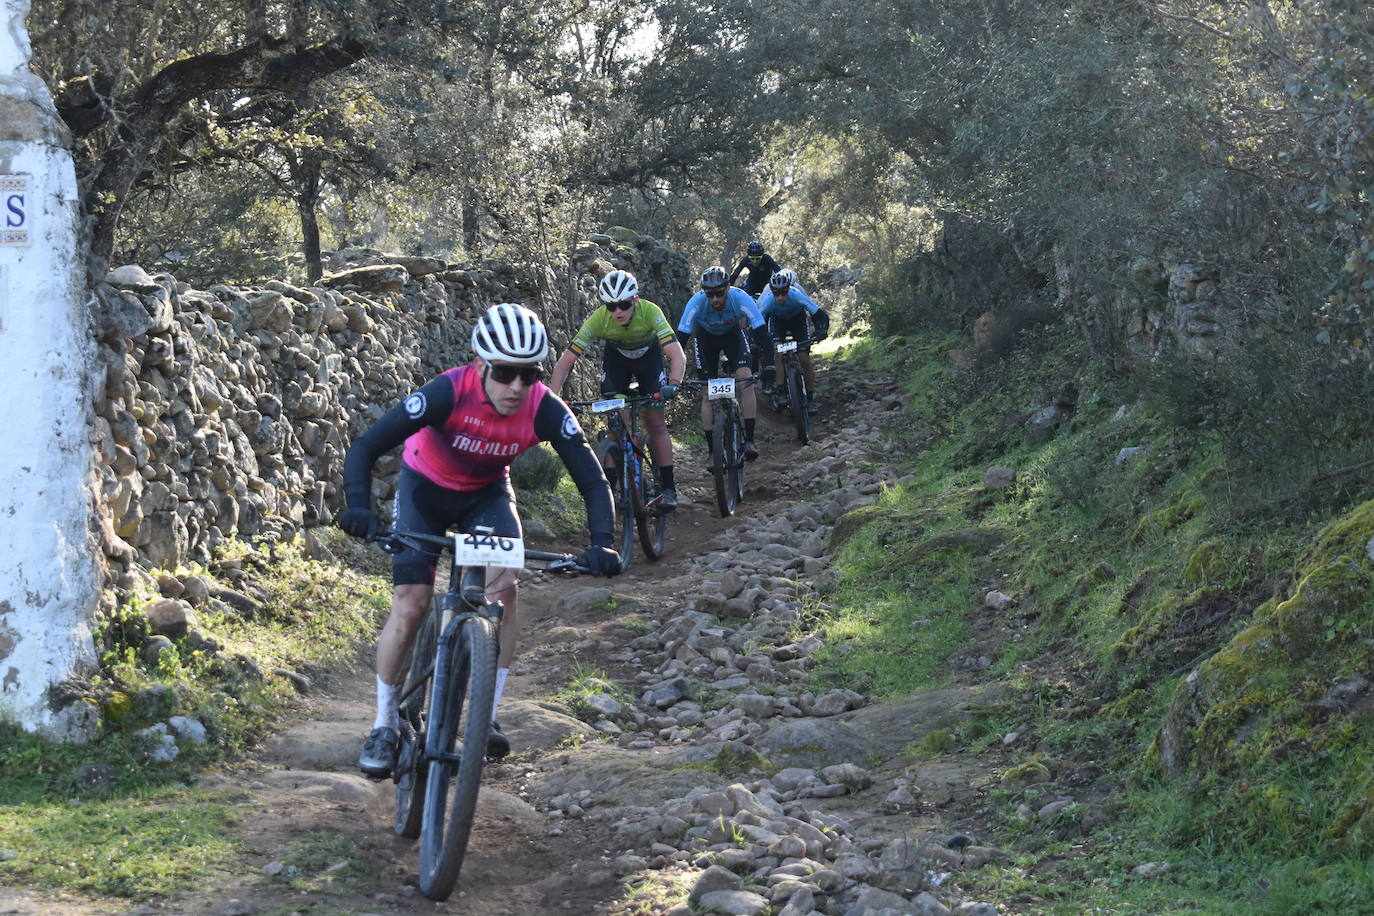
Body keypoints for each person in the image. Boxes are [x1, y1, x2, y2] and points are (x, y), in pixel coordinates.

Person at [338, 303, 620, 779]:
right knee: (411, 604)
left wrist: (603, 542)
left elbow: (592, 480)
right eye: (506, 373)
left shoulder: (545, 408)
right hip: (425, 491)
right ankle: (384, 723)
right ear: (481, 363)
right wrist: (360, 506)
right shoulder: (448, 392)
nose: (516, 387)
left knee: (504, 591)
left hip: (486, 497)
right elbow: (366, 446)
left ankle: (485, 712)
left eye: (528, 375)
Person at [548, 269, 688, 511]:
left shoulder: (651, 311)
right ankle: (610, 495)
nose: (617, 312)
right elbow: (565, 362)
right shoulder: (599, 319)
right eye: (611, 306)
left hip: (649, 360)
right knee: (616, 426)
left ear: (635, 300)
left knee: (655, 425)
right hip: (617, 363)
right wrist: (552, 399)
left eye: (623, 304)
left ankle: (668, 488)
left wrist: (674, 384)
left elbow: (677, 354)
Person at [676, 265, 769, 463]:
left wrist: (770, 365)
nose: (715, 299)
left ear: (727, 288)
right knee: (707, 393)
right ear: (704, 292)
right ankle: (712, 452)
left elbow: (761, 332)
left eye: (719, 293)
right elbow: (681, 339)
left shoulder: (740, 297)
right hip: (705, 339)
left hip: (733, 337)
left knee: (745, 379)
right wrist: (675, 376)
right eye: (710, 295)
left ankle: (750, 440)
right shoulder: (697, 302)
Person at [757, 269, 830, 413]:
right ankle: (782, 391)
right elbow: (758, 322)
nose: (780, 297)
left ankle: (810, 398)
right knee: (777, 353)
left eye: (783, 293)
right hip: (778, 323)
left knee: (804, 358)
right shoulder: (768, 301)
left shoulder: (796, 295)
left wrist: (821, 330)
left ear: (789, 289)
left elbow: (819, 314)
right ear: (771, 291)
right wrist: (760, 341)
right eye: (776, 293)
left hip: (798, 322)